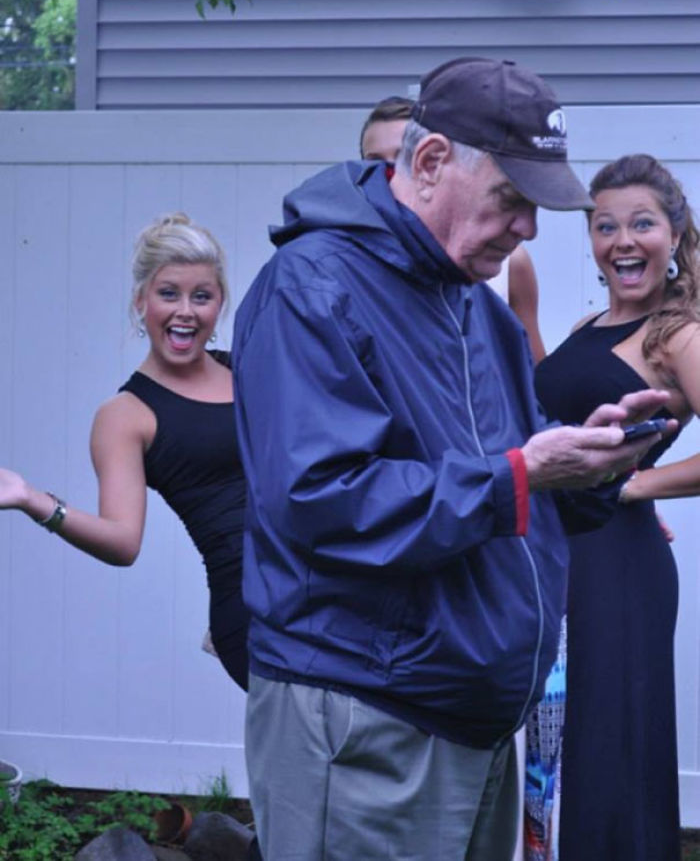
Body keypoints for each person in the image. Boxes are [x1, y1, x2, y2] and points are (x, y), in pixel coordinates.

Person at [232, 57, 672, 861]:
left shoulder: (478, 306)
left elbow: (515, 479)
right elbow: (319, 497)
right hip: (368, 717)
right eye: (512, 198)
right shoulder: (313, 287)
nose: (528, 228)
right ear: (432, 161)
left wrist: (595, 462)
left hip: (474, 721)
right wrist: (520, 474)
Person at [0, 213, 257, 860]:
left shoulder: (249, 368)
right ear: (141, 300)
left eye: (202, 295)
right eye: (169, 293)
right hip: (253, 610)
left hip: (318, 586)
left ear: (220, 302)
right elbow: (123, 540)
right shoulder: (126, 414)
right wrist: (33, 501)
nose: (186, 310)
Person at [535, 154, 700, 861]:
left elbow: (619, 468)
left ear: (674, 235)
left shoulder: (678, 334)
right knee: (556, 749)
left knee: (608, 752)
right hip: (558, 553)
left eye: (642, 224)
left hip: (619, 568)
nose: (622, 241)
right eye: (605, 227)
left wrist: (630, 489)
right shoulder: (590, 325)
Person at [361, 94, 546, 361]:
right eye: (375, 162)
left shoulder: (508, 262)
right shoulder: (348, 263)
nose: (389, 172)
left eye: (402, 157)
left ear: (429, 161)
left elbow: (530, 365)